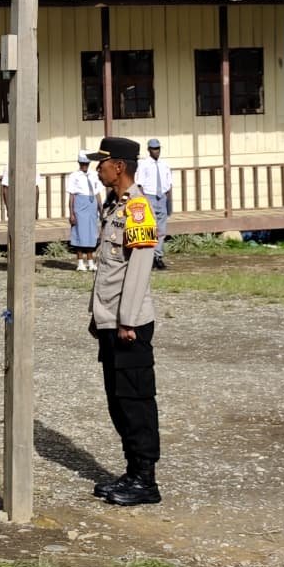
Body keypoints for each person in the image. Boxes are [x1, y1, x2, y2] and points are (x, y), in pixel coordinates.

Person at [87, 135, 162, 506]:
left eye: (101, 164)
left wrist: (127, 321)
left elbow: (139, 268)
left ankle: (146, 481)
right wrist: (98, 317)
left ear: (119, 166)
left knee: (135, 401)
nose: (97, 170)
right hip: (112, 320)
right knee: (118, 400)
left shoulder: (137, 209)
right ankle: (132, 472)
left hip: (129, 324)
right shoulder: (113, 206)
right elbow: (108, 270)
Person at [135, 138, 173, 269]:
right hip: (149, 196)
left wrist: (168, 201)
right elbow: (140, 184)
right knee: (150, 228)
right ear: (149, 150)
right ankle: (149, 258)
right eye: (154, 149)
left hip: (161, 197)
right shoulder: (144, 164)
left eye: (158, 149)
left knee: (161, 230)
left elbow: (169, 184)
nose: (156, 151)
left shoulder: (164, 164)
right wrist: (143, 200)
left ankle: (158, 256)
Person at [67, 149, 106, 272]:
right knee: (79, 232)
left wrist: (100, 208)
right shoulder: (74, 176)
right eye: (82, 163)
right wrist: (71, 213)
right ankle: (80, 262)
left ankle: (90, 261)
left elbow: (97, 192)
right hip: (80, 204)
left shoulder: (94, 175)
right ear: (79, 163)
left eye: (87, 164)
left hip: (91, 204)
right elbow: (72, 195)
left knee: (91, 233)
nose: (85, 166)